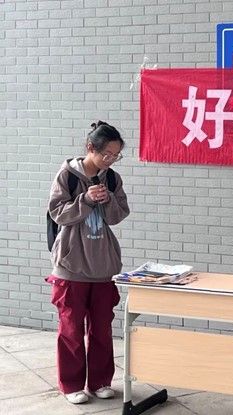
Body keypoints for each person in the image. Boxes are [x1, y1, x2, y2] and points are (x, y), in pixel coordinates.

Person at [46, 121, 130, 404]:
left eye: (116, 155)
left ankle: (100, 381)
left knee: (102, 328)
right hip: (71, 266)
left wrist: (107, 200)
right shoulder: (67, 175)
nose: (111, 160)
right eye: (107, 154)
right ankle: (72, 385)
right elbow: (58, 213)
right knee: (71, 329)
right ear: (90, 148)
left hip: (103, 265)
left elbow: (118, 215)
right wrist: (85, 198)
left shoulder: (112, 178)